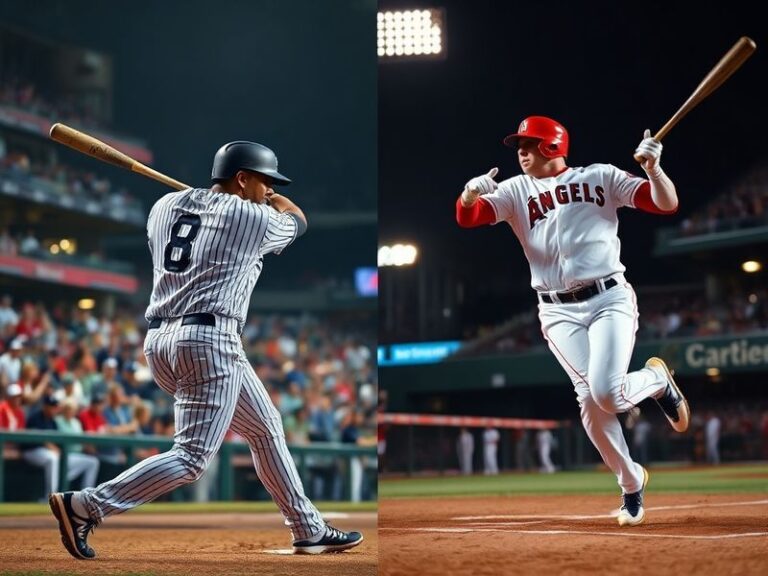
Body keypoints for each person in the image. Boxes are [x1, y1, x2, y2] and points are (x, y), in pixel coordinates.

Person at [49, 141, 362, 559]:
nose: (268, 190)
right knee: (193, 458)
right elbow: (298, 222)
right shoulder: (250, 216)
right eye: (265, 182)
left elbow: (206, 222)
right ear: (242, 178)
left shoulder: (163, 207)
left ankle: (308, 529)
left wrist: (237, 202)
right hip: (208, 340)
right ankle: (86, 505)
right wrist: (276, 202)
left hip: (160, 340)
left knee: (265, 427)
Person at [456, 116, 691, 527]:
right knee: (589, 399)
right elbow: (468, 218)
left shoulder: (600, 176)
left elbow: (665, 203)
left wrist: (654, 169)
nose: (520, 151)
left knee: (608, 394)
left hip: (608, 298)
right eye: (519, 145)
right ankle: (631, 482)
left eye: (529, 144)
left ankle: (656, 381)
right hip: (556, 309)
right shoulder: (514, 190)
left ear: (552, 146)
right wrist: (469, 193)